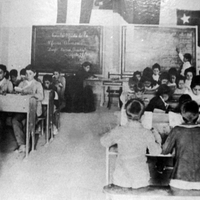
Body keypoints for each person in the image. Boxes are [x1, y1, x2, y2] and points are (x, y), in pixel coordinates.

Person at [101, 98, 161, 188]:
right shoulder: (147, 133)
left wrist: (114, 130)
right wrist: (158, 139)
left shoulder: (120, 130)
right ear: (143, 117)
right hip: (140, 179)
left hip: (121, 178)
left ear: (125, 116)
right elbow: (155, 152)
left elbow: (104, 142)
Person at [162, 100, 200, 192]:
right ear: (198, 115)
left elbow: (165, 151)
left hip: (179, 180)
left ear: (182, 116)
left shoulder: (177, 130)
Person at [12, 64, 44, 153]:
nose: (28, 76)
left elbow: (41, 97)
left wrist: (32, 93)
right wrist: (17, 93)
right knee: (15, 120)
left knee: (28, 121)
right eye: (26, 74)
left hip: (34, 110)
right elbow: (18, 96)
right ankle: (22, 144)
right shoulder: (22, 83)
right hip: (22, 109)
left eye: (30, 73)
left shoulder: (38, 84)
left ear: (34, 74)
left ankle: (28, 145)